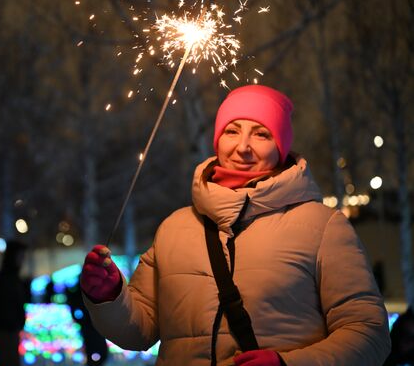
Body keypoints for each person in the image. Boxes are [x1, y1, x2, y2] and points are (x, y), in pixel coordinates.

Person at [79, 85, 391, 365]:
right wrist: (109, 296)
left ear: (281, 147)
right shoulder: (175, 228)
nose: (243, 146)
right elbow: (140, 331)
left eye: (261, 134)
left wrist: (287, 364)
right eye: (232, 131)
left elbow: (369, 334)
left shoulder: (323, 227)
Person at [0, 239, 29, 366]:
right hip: (5, 330)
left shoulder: (12, 278)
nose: (22, 259)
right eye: (20, 256)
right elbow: (3, 305)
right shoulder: (5, 279)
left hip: (10, 329)